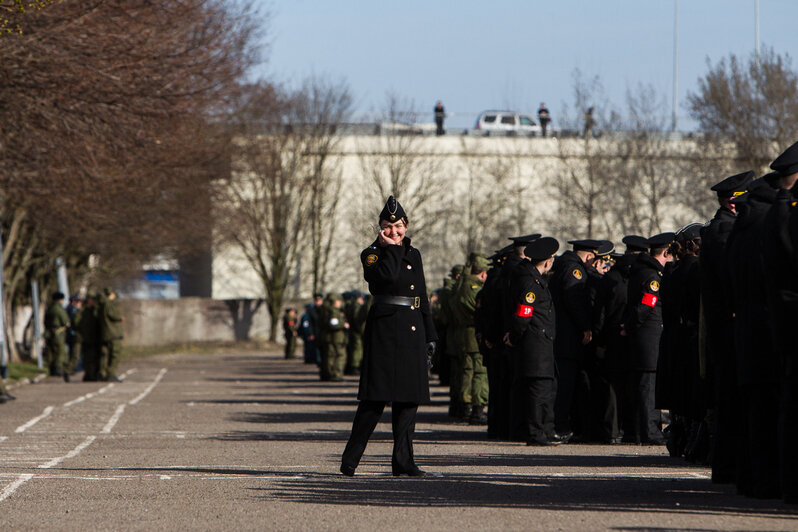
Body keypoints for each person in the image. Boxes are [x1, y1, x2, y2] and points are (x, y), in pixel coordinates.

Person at [341, 195, 437, 477]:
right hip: (385, 331)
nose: (394, 231)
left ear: (406, 225)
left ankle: (403, 461)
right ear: (380, 228)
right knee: (374, 399)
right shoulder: (371, 254)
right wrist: (391, 249)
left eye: (398, 226)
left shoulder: (415, 254)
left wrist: (430, 335)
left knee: (408, 400)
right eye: (387, 226)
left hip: (412, 331)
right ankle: (351, 459)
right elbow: (385, 279)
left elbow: (421, 295)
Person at [699, 170, 753, 484]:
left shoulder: (722, 228)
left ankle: (728, 465)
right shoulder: (722, 231)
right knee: (731, 399)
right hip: (727, 327)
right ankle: (727, 467)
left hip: (726, 326)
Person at [507, 237, 561, 446]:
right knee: (538, 392)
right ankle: (536, 432)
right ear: (547, 262)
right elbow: (523, 313)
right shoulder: (530, 281)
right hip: (535, 344)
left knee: (545, 388)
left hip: (541, 342)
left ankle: (545, 430)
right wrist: (515, 335)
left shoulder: (534, 279)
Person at [623, 232, 675, 445]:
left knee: (641, 386)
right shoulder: (653, 276)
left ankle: (637, 430)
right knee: (648, 387)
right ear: (665, 253)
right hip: (650, 337)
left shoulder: (640, 271)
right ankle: (650, 431)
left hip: (643, 337)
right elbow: (646, 306)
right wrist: (630, 325)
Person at [549, 239, 601, 440]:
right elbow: (575, 300)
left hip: (562, 335)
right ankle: (561, 426)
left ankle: (563, 423)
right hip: (568, 337)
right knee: (566, 384)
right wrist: (586, 326)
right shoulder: (574, 270)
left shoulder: (564, 265)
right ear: (589, 256)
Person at [452, 253, 490, 425]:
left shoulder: (462, 286)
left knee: (467, 372)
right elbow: (477, 312)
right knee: (478, 372)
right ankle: (476, 407)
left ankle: (466, 406)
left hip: (464, 334)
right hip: (473, 334)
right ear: (482, 273)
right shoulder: (472, 288)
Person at [319, 293, 349, 381]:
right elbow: (333, 324)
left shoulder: (325, 310)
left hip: (329, 337)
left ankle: (328, 374)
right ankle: (335, 374)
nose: (340, 303)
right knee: (339, 356)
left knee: (328, 356)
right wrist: (344, 324)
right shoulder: (333, 311)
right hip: (336, 338)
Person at [98, 288, 124, 382]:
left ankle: (103, 373)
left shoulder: (101, 304)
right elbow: (114, 316)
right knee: (114, 354)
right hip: (112, 334)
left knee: (104, 355)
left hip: (106, 333)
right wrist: (120, 317)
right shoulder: (108, 304)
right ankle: (110, 374)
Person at [44, 291, 70, 381]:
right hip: (58, 333)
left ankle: (51, 368)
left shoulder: (49, 308)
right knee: (60, 352)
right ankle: (58, 368)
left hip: (49, 332)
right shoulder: (59, 309)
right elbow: (65, 322)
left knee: (51, 351)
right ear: (61, 299)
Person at [79, 293, 101, 382]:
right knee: (89, 358)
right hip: (88, 337)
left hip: (94, 337)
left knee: (93, 358)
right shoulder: (85, 310)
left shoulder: (94, 310)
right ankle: (90, 375)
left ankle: (93, 375)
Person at [65, 295, 82, 375]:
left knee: (72, 353)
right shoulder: (73, 310)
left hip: (70, 335)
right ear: (74, 301)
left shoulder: (68, 308)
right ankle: (69, 370)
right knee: (75, 354)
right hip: (73, 335)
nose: (80, 303)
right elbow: (74, 323)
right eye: (78, 302)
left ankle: (71, 369)